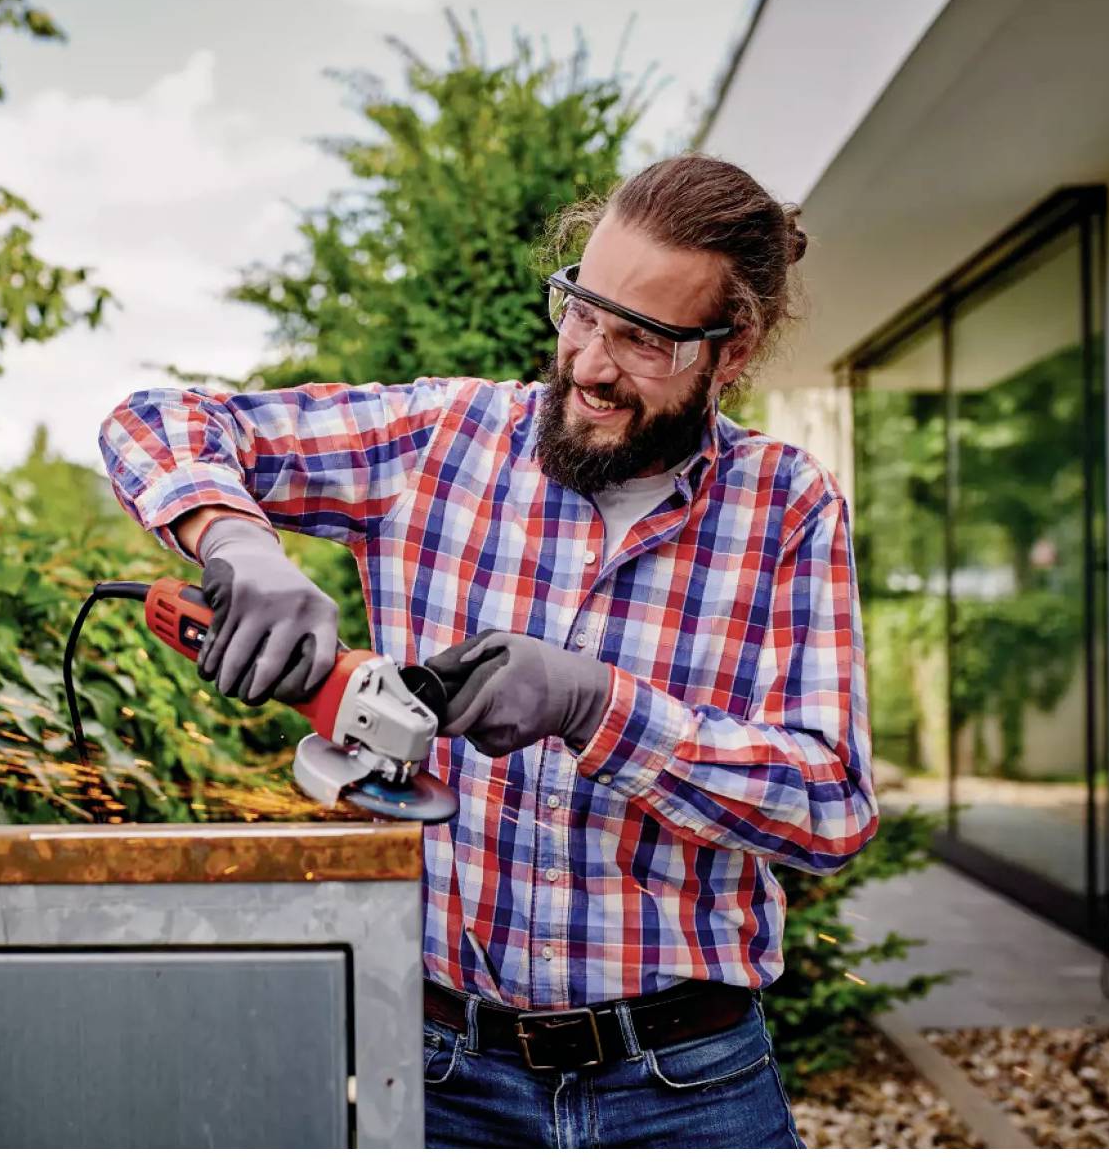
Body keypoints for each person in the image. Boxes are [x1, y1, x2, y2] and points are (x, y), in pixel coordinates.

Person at [98, 154, 877, 1148]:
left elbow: (830, 807)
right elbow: (151, 422)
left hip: (689, 1085)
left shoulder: (784, 506)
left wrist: (600, 708)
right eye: (582, 311)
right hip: (442, 1074)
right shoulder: (440, 438)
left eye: (641, 339)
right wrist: (234, 537)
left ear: (729, 352)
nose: (589, 363)